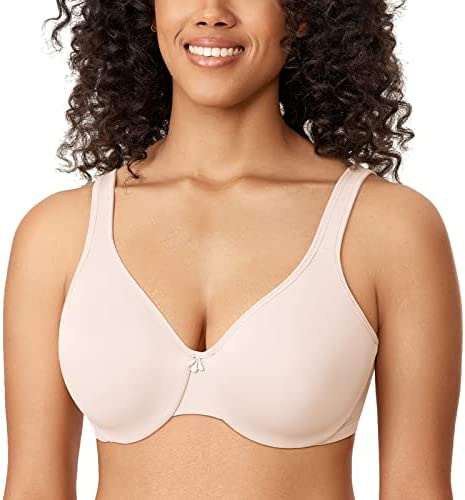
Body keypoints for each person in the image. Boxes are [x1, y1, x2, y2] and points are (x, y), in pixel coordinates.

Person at [3, 1, 461, 499]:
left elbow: (417, 488)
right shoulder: (57, 235)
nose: (212, 13)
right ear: (147, 10)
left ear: (304, 13)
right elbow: (33, 487)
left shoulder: (388, 228)